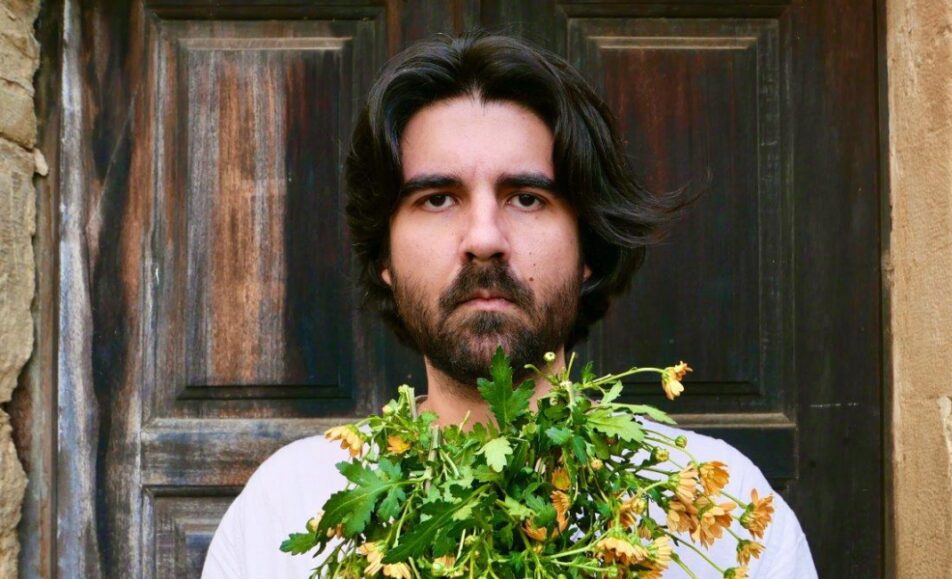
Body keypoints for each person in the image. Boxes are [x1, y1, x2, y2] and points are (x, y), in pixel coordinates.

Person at [202, 33, 817, 578]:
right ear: (384, 255)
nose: (484, 238)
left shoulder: (718, 507)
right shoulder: (285, 509)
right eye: (437, 199)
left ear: (587, 248)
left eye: (526, 198)